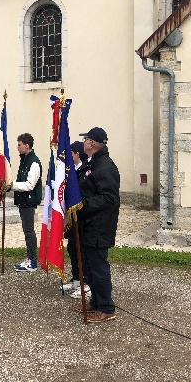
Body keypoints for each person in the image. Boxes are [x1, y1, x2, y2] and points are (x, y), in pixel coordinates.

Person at [75, 127, 120, 323]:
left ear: (92, 143)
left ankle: (106, 308)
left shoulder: (105, 166)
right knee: (89, 266)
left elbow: (109, 198)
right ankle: (96, 300)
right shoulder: (92, 162)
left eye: (85, 139)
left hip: (99, 225)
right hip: (88, 223)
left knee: (99, 267)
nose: (83, 143)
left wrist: (82, 204)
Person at [11, 133, 42, 272]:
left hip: (28, 201)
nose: (17, 148)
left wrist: (12, 185)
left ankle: (32, 261)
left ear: (27, 146)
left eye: (19, 145)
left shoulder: (33, 162)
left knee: (29, 231)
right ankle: (29, 258)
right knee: (26, 230)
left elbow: (30, 185)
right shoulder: (25, 160)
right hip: (23, 200)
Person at [63, 141, 89, 296]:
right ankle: (76, 280)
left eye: (71, 153)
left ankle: (85, 282)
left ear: (77, 154)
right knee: (72, 248)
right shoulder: (70, 171)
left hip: (81, 217)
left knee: (81, 251)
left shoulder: (84, 170)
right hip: (71, 217)